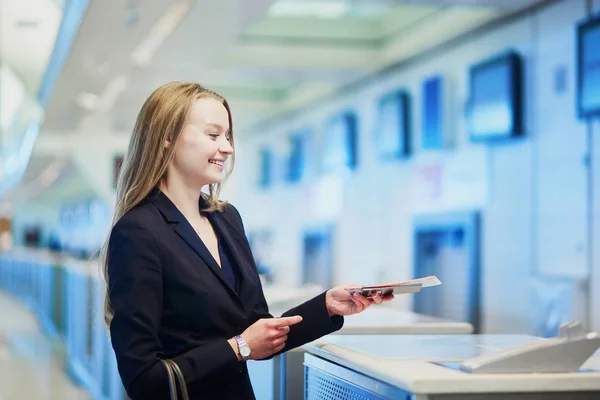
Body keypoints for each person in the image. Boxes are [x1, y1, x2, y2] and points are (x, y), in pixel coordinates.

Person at [100, 82, 393, 400]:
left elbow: (258, 331)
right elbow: (143, 380)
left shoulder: (226, 219)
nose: (227, 147)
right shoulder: (139, 232)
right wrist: (239, 347)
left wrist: (326, 307)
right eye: (213, 135)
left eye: (227, 136)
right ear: (167, 137)